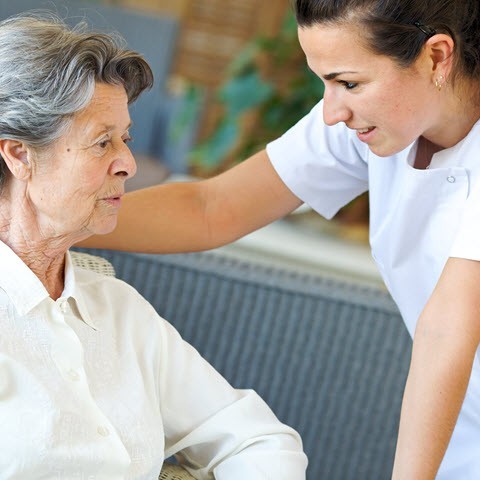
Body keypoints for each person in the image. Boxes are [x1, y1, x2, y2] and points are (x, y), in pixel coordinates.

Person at [81, 0, 480, 478]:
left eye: (349, 82)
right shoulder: (372, 121)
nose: (332, 112)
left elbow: (446, 329)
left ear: (436, 56)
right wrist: (60, 219)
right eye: (325, 82)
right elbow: (213, 209)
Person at [0, 12, 308, 480]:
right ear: (19, 155)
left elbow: (258, 440)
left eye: (125, 138)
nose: (127, 162)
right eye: (102, 142)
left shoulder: (121, 313)